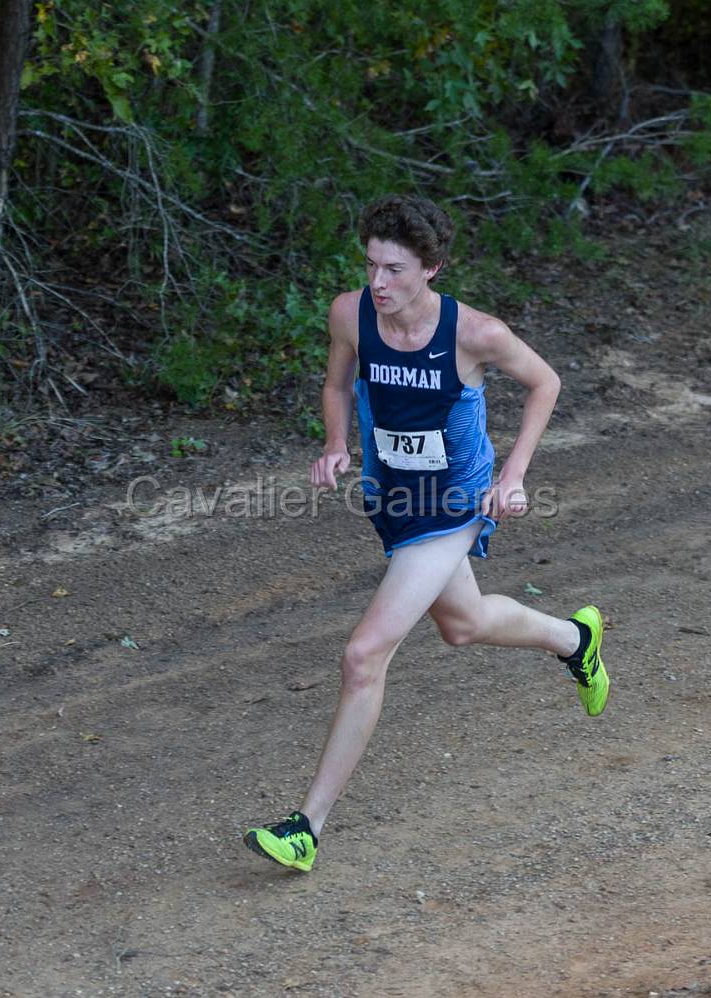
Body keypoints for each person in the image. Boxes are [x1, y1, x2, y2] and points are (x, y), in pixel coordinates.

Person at [243, 194, 609, 873]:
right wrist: (333, 442)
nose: (378, 284)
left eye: (395, 270)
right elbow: (335, 383)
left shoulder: (478, 334)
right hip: (393, 499)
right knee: (462, 625)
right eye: (371, 266)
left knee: (364, 655)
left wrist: (514, 474)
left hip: (456, 502)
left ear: (433, 268)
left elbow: (545, 383)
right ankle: (574, 638)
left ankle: (306, 828)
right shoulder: (350, 313)